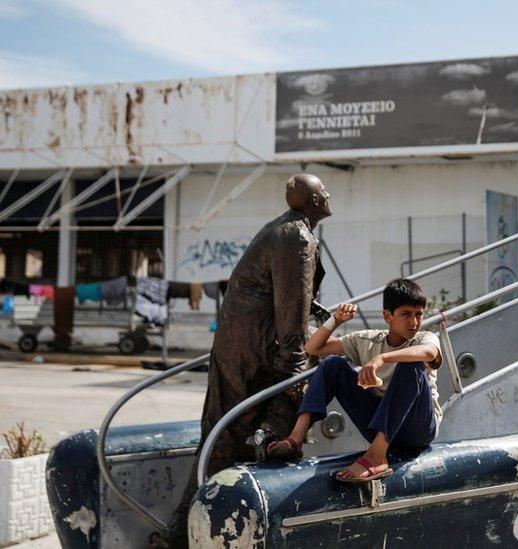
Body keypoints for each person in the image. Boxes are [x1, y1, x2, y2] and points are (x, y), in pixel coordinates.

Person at [159, 174, 331, 548]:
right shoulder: (297, 236)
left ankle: (176, 535)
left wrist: (313, 309)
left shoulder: (284, 229)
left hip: (240, 341)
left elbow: (277, 288)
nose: (328, 195)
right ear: (312, 202)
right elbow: (290, 314)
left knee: (224, 435)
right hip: (255, 345)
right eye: (323, 191)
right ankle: (191, 534)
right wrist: (295, 370)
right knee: (257, 426)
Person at [267, 278, 442, 482]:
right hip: (379, 426)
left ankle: (377, 455)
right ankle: (295, 439)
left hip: (417, 429)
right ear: (387, 316)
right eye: (406, 314)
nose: (413, 322)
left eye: (418, 314)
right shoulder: (368, 340)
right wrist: (336, 320)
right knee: (332, 364)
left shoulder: (424, 338)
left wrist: (382, 358)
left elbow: (429, 352)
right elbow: (312, 349)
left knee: (410, 365)